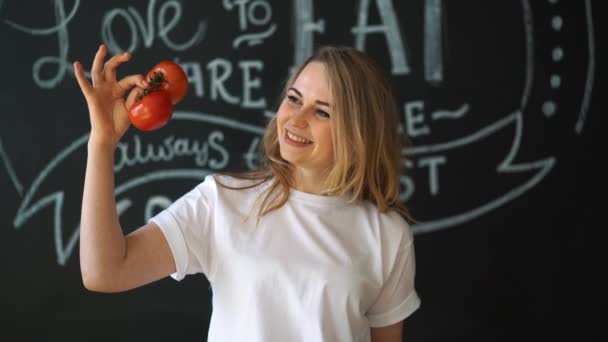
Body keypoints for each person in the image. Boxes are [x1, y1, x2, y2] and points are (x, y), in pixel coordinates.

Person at [73, 43, 421, 341]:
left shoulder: (388, 234)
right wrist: (102, 143)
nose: (296, 120)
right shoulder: (222, 200)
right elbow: (105, 271)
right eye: (294, 99)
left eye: (323, 112)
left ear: (359, 132)